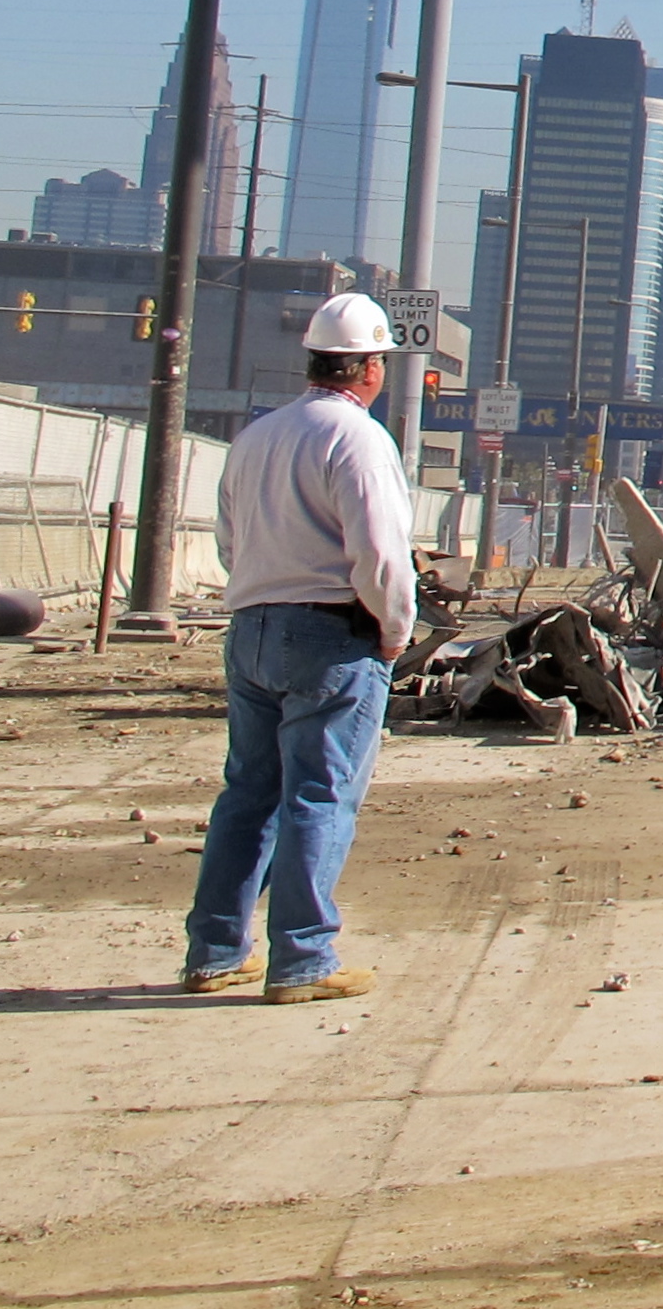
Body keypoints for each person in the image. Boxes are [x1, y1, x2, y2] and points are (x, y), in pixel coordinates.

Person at [183, 289, 417, 1004]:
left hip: (251, 626)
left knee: (247, 793)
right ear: (370, 367)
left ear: (315, 360)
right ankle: (303, 957)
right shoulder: (358, 439)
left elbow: (228, 539)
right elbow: (380, 553)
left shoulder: (256, 437)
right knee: (320, 794)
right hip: (328, 633)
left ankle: (217, 951)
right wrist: (392, 631)